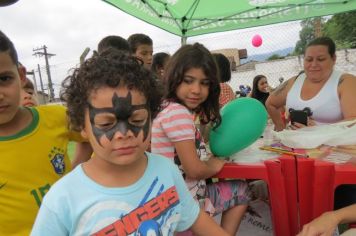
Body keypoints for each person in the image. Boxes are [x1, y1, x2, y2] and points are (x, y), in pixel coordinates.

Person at [31, 48, 229, 236]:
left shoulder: (166, 170)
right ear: (82, 127)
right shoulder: (62, 199)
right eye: (107, 122)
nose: (124, 134)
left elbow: (195, 219)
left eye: (137, 120)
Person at [151, 43, 250, 235]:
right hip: (185, 206)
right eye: (188, 81)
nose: (196, 89)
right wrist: (214, 165)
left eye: (204, 83)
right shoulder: (177, 113)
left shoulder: (167, 108)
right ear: (174, 78)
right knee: (242, 190)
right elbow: (194, 170)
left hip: (175, 201)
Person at [0, 30, 91, 235]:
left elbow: (92, 137)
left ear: (21, 76)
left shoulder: (57, 117)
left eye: (4, 79)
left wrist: (75, 172)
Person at [266, 36, 356, 132]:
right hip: (294, 144)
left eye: (321, 59)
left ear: (333, 59)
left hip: (333, 145)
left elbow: (353, 121)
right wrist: (281, 128)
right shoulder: (294, 82)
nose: (313, 64)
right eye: (309, 60)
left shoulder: (345, 81)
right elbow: (270, 103)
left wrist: (318, 130)